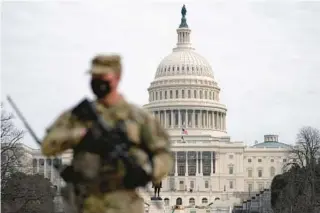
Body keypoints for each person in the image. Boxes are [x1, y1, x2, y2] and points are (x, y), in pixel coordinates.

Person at [41, 54, 173, 213]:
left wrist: (147, 171)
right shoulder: (78, 115)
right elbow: (47, 146)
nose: (97, 81)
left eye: (103, 77)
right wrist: (82, 135)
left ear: (117, 78)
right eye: (94, 76)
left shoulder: (138, 118)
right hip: (84, 203)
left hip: (123, 204)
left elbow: (164, 155)